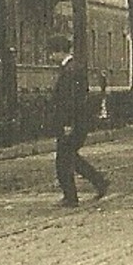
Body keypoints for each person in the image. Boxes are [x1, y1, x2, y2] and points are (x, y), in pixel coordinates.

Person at [47, 34, 107, 207]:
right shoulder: (73, 68)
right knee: (70, 158)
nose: (51, 58)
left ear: (59, 52)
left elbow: (71, 101)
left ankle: (71, 197)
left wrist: (67, 123)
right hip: (75, 122)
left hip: (72, 122)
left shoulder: (71, 70)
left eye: (52, 53)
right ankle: (99, 182)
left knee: (63, 160)